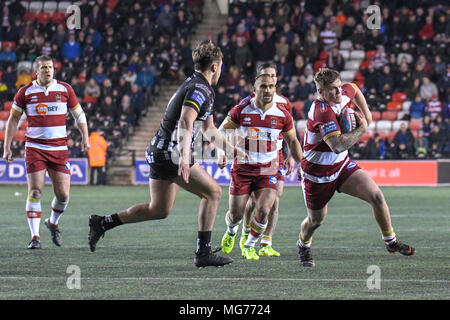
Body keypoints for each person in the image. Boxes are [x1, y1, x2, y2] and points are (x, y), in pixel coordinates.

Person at [88, 41, 239, 268]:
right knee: (213, 193)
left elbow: (209, 128)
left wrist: (229, 150)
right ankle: (203, 252)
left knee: (158, 209)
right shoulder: (201, 89)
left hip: (159, 151)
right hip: (171, 153)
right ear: (216, 67)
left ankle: (103, 223)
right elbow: (186, 120)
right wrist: (184, 155)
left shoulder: (195, 85)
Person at [297, 68, 415, 267]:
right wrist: (362, 128)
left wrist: (367, 115)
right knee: (316, 220)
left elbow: (354, 89)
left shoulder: (343, 92)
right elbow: (337, 145)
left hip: (342, 166)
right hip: (318, 175)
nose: (338, 93)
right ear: (321, 93)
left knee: (376, 196)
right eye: (332, 90)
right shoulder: (321, 112)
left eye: (338, 87)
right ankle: (303, 245)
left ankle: (391, 242)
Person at [2, 55, 90, 249]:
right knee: (35, 191)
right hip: (35, 148)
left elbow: (79, 114)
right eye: (43, 68)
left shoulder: (65, 89)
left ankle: (52, 223)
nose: (47, 70)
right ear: (36, 71)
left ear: (54, 70)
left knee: (64, 195)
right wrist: (6, 146)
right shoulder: (25, 92)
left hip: (59, 149)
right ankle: (35, 237)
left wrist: (85, 137)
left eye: (50, 67)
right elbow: (13, 119)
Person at [218, 72, 303, 260]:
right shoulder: (242, 109)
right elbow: (221, 131)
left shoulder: (283, 114)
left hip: (268, 169)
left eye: (271, 86)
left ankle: (250, 245)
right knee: (236, 214)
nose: (267, 90)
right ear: (254, 89)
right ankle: (232, 231)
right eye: (263, 86)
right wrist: (222, 152)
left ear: (275, 89)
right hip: (243, 168)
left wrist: (301, 165)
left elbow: (293, 141)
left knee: (265, 209)